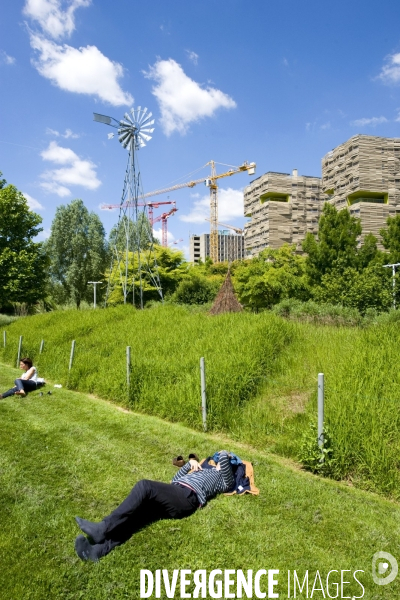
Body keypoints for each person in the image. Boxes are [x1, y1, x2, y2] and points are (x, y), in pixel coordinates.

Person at [74, 451, 235, 562]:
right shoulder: (205, 468)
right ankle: (98, 551)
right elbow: (174, 480)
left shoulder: (223, 479)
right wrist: (190, 464)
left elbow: (224, 463)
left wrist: (225, 455)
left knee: (145, 486)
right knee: (138, 515)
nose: (216, 462)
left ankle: (103, 528)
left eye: (222, 462)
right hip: (175, 492)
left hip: (188, 497)